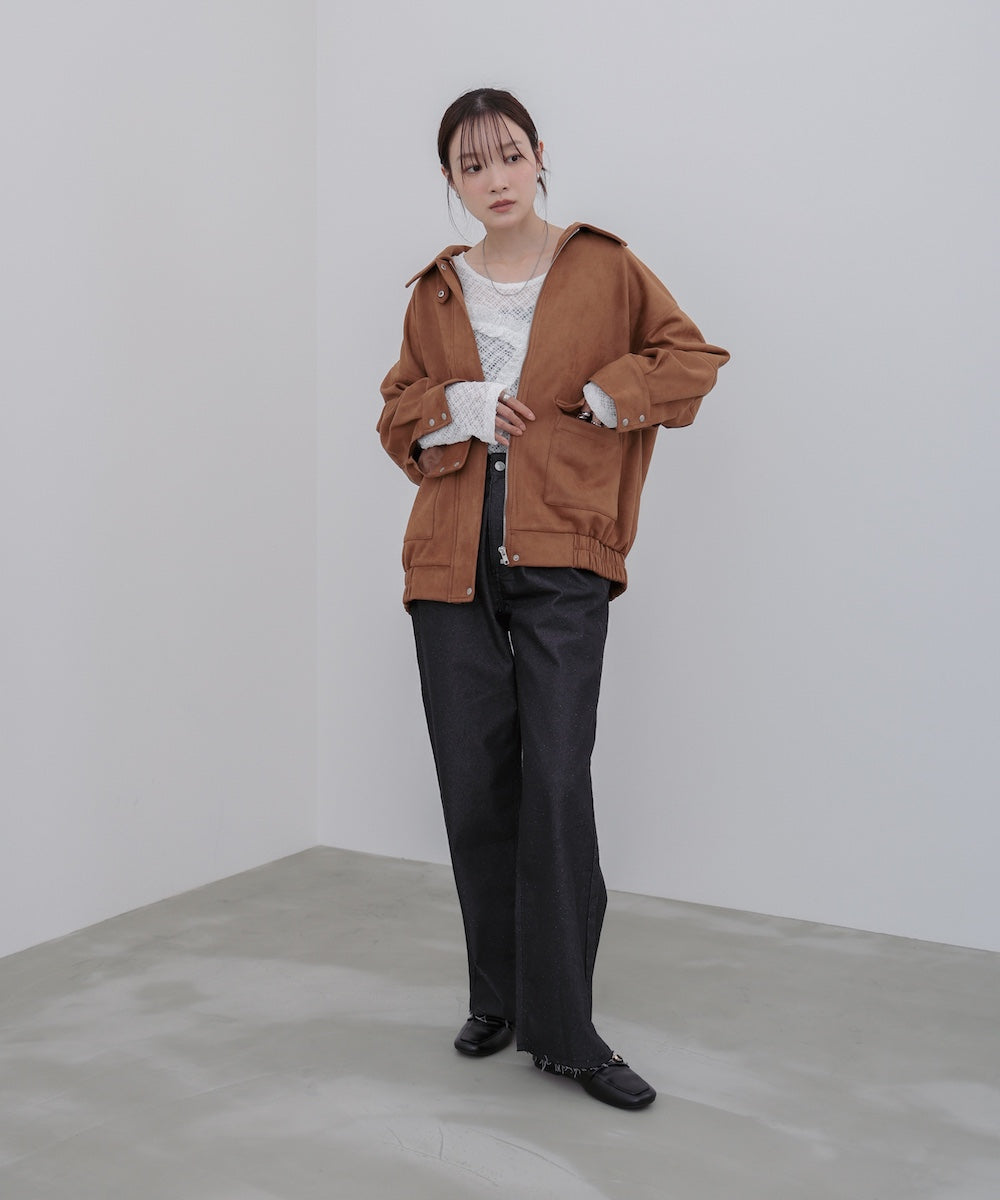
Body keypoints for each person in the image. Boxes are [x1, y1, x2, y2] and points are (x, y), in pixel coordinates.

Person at [378, 88, 729, 1111]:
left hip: (564, 555)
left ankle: (566, 1034)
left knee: (556, 786)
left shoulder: (604, 267)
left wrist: (613, 395)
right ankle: (497, 998)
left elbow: (691, 360)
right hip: (448, 564)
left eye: (508, 155)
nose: (493, 179)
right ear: (451, 181)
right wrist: (456, 405)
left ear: (539, 156)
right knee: (475, 789)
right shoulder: (436, 292)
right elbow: (396, 417)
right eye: (470, 165)